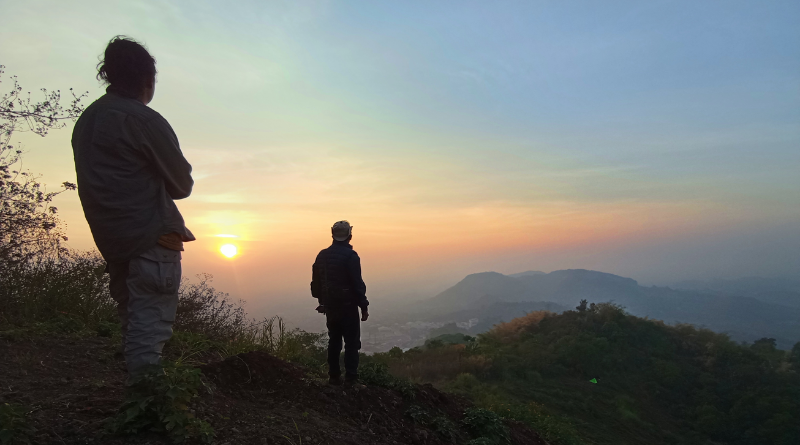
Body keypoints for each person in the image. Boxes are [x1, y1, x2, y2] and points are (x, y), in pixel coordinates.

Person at [71, 36, 194, 382]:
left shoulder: (87, 121)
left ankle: (137, 402)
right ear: (147, 80)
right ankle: (149, 408)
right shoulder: (144, 120)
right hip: (151, 238)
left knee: (133, 320)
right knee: (149, 329)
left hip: (113, 239)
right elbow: (181, 185)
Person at [311, 221, 369, 385]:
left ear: (332, 234)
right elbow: (357, 284)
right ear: (350, 235)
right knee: (351, 343)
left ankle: (334, 377)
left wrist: (322, 301)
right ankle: (351, 379)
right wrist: (364, 306)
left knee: (334, 341)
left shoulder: (322, 255)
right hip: (348, 306)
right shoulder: (351, 256)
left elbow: (316, 283)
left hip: (330, 307)